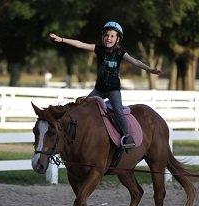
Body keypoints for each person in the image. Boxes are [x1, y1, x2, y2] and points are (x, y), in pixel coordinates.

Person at [49, 21, 161, 151]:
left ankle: (127, 137)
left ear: (117, 38)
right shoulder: (99, 49)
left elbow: (135, 61)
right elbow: (80, 44)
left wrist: (150, 69)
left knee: (118, 111)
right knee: (81, 105)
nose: (109, 38)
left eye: (112, 36)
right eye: (107, 35)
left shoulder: (120, 52)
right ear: (103, 37)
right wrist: (61, 39)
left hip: (113, 90)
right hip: (99, 90)